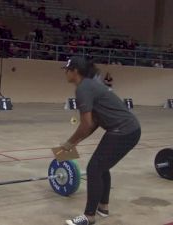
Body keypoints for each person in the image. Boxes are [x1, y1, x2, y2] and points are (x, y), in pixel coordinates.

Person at [60, 57, 141, 225]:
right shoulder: (91, 85)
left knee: (94, 168)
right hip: (128, 130)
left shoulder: (83, 88)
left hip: (123, 131)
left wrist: (69, 142)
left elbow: (86, 123)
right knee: (102, 166)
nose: (65, 73)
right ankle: (103, 207)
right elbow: (95, 122)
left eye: (66, 70)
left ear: (75, 71)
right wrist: (75, 143)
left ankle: (89, 216)